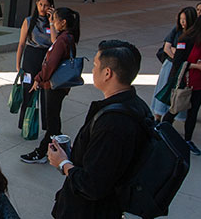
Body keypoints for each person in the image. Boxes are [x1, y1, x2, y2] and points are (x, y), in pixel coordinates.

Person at [47, 39, 151, 218]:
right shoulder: (136, 105)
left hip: (90, 211)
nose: (93, 70)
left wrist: (63, 164)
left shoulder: (114, 124)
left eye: (95, 65)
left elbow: (92, 185)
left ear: (107, 73)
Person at [21, 7, 80, 164]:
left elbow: (51, 64)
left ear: (63, 22)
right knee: (54, 120)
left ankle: (42, 152)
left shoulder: (62, 40)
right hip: (59, 85)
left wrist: (38, 79)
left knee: (52, 121)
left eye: (55, 19)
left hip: (54, 86)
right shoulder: (67, 37)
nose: (52, 22)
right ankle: (61, 149)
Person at [161, 13, 201, 156]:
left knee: (193, 113)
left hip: (199, 83)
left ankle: (188, 140)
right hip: (184, 82)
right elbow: (178, 61)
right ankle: (161, 133)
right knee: (175, 109)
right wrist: (195, 66)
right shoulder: (185, 40)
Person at [149, 7, 198, 120]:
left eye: (185, 20)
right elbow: (167, 48)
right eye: (181, 19)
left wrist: (178, 56)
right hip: (170, 65)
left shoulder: (193, 35)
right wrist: (176, 58)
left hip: (182, 67)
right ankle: (158, 117)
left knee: (178, 94)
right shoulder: (176, 30)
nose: (182, 22)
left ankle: (170, 118)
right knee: (163, 89)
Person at [15, 0, 55, 133]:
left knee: (46, 93)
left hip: (47, 58)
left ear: (51, 7)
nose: (42, 8)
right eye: (40, 4)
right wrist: (18, 65)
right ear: (36, 4)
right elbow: (21, 44)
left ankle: (47, 126)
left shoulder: (54, 22)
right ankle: (24, 124)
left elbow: (54, 42)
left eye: (46, 5)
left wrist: (51, 21)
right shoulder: (29, 20)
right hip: (31, 57)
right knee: (28, 91)